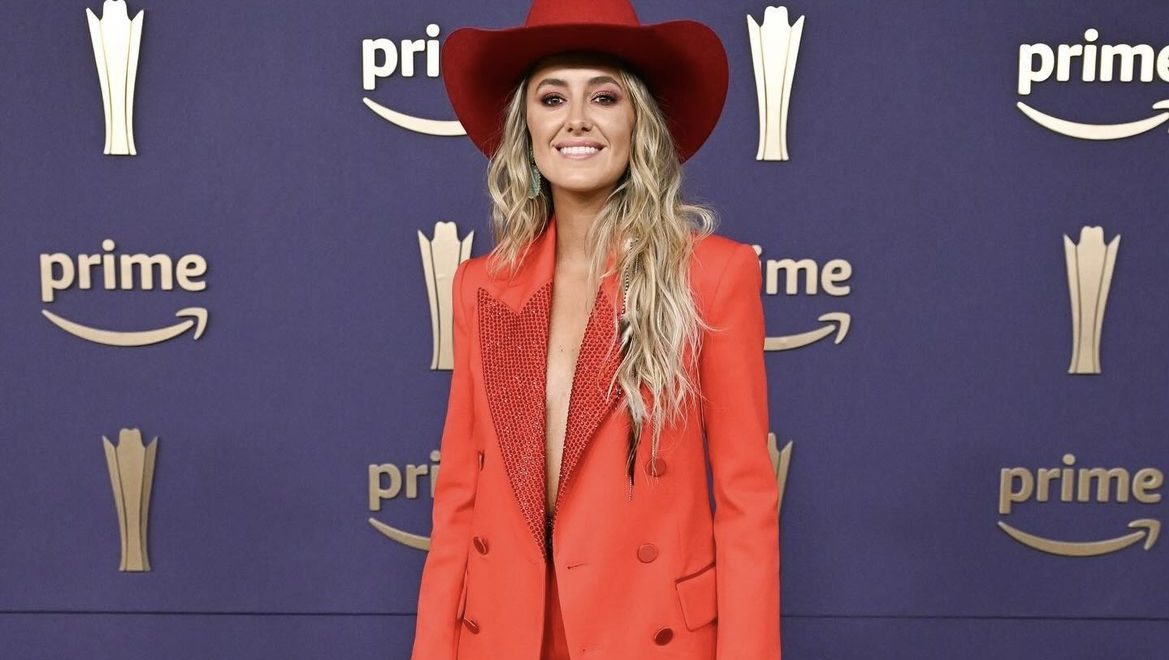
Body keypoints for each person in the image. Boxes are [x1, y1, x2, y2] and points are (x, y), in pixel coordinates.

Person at [410, 0, 781, 658]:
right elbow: (458, 502)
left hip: (644, 634)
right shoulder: (480, 284)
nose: (575, 120)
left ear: (637, 121)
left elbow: (746, 504)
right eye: (552, 98)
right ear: (524, 125)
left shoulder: (712, 276)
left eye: (603, 96)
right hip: (504, 634)